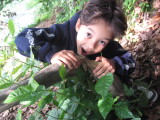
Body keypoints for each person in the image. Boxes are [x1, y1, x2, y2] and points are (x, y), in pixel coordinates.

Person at [15, 0, 135, 81]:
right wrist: (50, 55)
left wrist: (114, 64)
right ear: (78, 25)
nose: (91, 46)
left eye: (102, 41)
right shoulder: (60, 34)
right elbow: (23, 38)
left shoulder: (108, 47)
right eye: (88, 34)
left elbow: (131, 62)